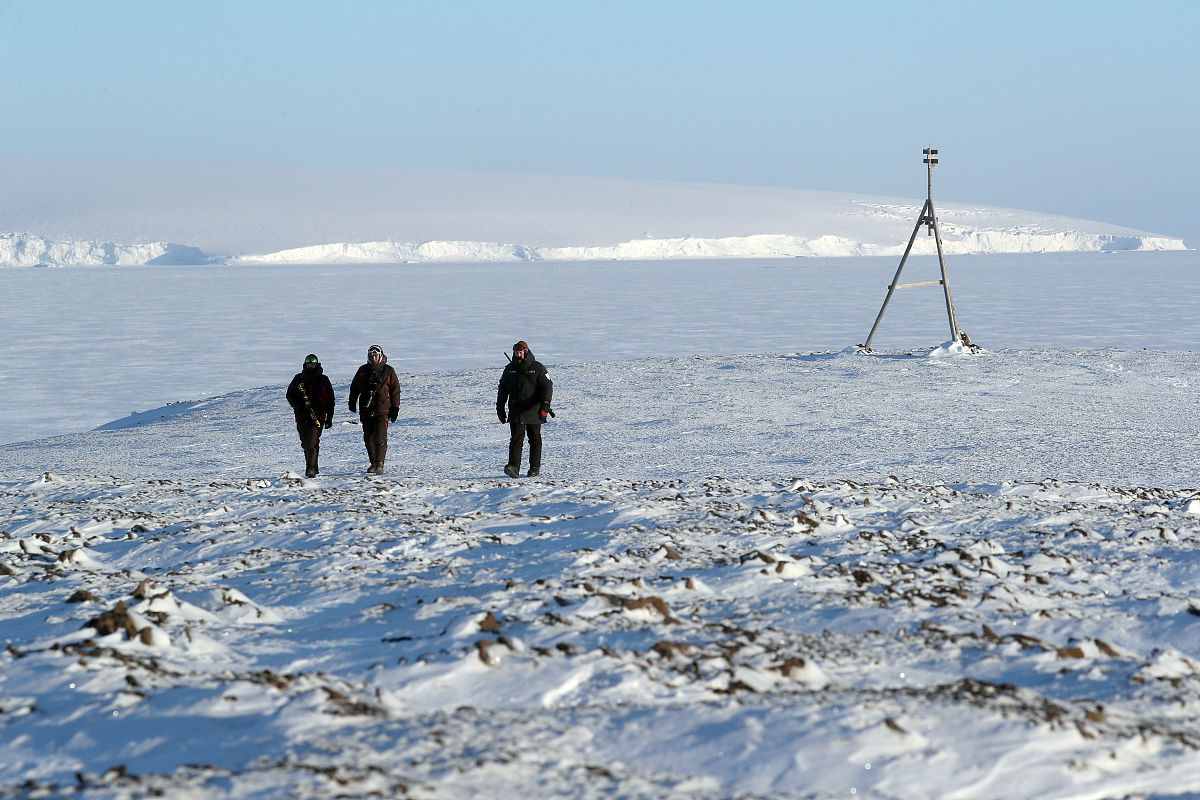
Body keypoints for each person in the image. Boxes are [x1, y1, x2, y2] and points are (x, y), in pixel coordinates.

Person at [496, 340, 553, 478]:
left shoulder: (538, 368)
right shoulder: (509, 369)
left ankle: (534, 468)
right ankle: (513, 468)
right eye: (516, 352)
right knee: (516, 439)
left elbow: (547, 387)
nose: (518, 355)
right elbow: (502, 389)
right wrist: (500, 409)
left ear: (526, 352)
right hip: (516, 410)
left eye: (520, 352)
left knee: (534, 439)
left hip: (535, 409)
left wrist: (545, 406)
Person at [348, 344, 401, 475]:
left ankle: (380, 464)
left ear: (381, 355)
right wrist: (352, 402)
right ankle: (373, 463)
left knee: (380, 437)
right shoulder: (362, 370)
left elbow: (395, 390)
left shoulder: (388, 370)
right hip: (366, 410)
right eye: (372, 356)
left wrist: (395, 407)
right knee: (368, 438)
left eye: (376, 355)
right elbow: (355, 387)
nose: (374, 358)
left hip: (383, 410)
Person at [286, 354, 335, 478]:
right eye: (308, 363)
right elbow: (289, 395)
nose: (310, 365)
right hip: (301, 416)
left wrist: (329, 417)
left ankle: (310, 468)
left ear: (317, 364)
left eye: (313, 363)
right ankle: (314, 464)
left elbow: (330, 399)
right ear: (305, 364)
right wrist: (297, 406)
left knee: (311, 443)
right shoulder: (298, 378)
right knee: (305, 442)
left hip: (318, 416)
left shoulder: (323, 379)